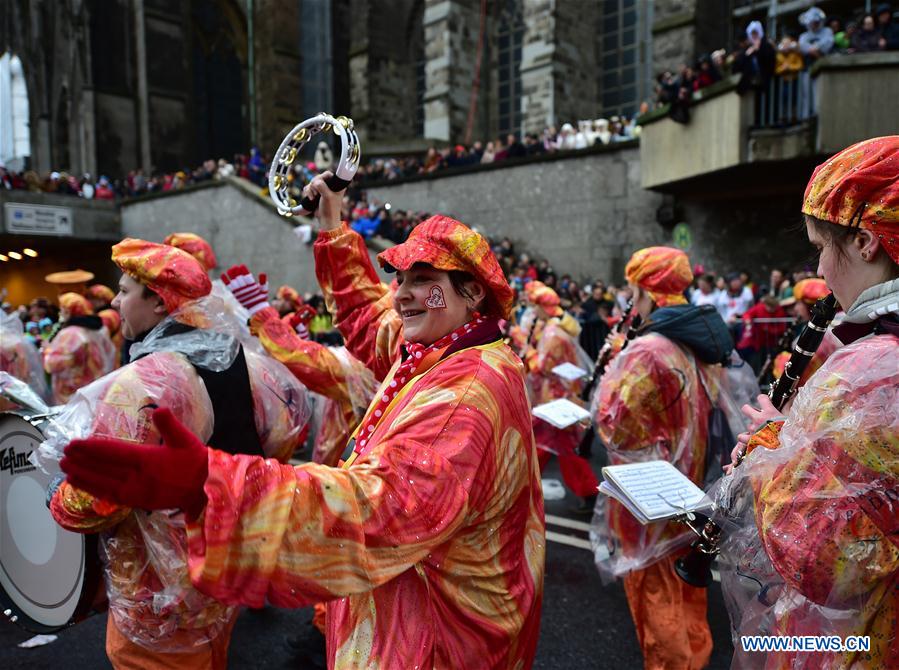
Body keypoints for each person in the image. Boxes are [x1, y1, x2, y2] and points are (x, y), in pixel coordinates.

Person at [61, 177, 545, 669]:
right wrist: (331, 222)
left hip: (434, 638)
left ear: (473, 293)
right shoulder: (437, 345)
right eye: (400, 280)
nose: (401, 295)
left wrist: (212, 486)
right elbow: (365, 315)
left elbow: (378, 511)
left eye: (424, 281)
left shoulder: (466, 393)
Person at [46, 238, 310, 669]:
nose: (116, 300)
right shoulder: (252, 363)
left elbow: (95, 500)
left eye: (125, 291)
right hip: (223, 569)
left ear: (158, 301)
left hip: (156, 595)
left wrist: (58, 496)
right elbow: (286, 434)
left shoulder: (142, 382)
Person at [722, 135, 899, 669]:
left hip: (862, 643)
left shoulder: (869, 371)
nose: (820, 271)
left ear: (867, 242)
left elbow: (824, 561)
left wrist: (770, 446)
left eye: (822, 247)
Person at [592, 246, 743, 670]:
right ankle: (696, 656)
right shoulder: (698, 341)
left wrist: (610, 368)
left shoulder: (648, 350)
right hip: (691, 481)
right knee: (687, 587)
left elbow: (612, 422)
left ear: (644, 289)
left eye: (631, 290)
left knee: (655, 591)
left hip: (649, 493)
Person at [523, 283, 599, 513]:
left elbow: (542, 367)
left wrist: (528, 352)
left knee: (556, 448)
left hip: (555, 399)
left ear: (543, 308)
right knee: (546, 446)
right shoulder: (557, 329)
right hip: (558, 397)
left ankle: (587, 491)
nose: (533, 313)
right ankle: (525, 486)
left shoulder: (552, 333)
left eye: (535, 307)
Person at [42, 292, 115, 403]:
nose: (60, 313)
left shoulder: (70, 333)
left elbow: (53, 365)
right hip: (95, 389)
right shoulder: (99, 330)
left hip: (72, 393)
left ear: (68, 311)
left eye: (62, 309)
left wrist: (47, 350)